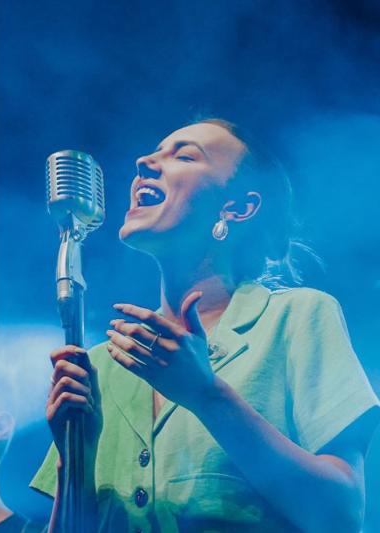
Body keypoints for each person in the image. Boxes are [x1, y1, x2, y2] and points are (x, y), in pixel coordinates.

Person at [31, 119, 380, 532]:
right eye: (153, 152)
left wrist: (207, 396)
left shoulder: (297, 318)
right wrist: (74, 461)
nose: (144, 162)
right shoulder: (99, 365)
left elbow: (341, 516)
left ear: (238, 208)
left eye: (184, 154)